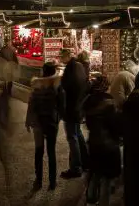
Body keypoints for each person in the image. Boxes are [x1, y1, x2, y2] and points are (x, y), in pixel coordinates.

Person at [82, 74, 122, 205]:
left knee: (95, 172)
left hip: (94, 142)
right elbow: (114, 124)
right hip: (108, 144)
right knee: (106, 178)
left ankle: (91, 198)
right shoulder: (109, 101)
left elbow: (88, 123)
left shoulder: (88, 101)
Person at [25, 63, 64, 191]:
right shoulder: (57, 86)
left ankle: (38, 180)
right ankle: (52, 182)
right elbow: (62, 105)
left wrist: (28, 120)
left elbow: (31, 104)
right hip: (52, 122)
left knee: (39, 152)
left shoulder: (37, 86)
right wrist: (59, 117)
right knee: (51, 152)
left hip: (38, 123)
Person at [58, 48, 89, 179]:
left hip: (72, 108)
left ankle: (76, 168)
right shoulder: (79, 66)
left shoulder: (70, 69)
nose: (60, 59)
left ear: (66, 57)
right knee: (78, 134)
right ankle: (86, 162)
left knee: (72, 137)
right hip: (79, 107)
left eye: (61, 57)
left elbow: (65, 88)